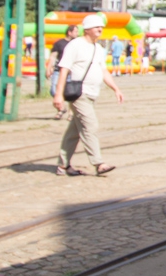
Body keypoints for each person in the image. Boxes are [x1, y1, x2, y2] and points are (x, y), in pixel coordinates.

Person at [52, 13, 124, 177]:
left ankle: (63, 166)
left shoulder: (98, 48)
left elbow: (103, 71)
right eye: (96, 26)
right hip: (79, 94)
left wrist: (116, 89)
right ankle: (98, 163)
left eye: (101, 27)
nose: (100, 29)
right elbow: (64, 69)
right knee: (90, 126)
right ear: (87, 29)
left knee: (74, 132)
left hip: (93, 94)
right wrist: (58, 95)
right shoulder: (75, 45)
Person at [47, 25, 78, 118]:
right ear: (69, 32)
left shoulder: (77, 44)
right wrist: (49, 67)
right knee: (53, 90)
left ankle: (70, 113)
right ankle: (61, 108)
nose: (77, 34)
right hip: (58, 70)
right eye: (76, 31)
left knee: (70, 93)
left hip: (71, 71)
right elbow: (53, 56)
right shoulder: (59, 43)